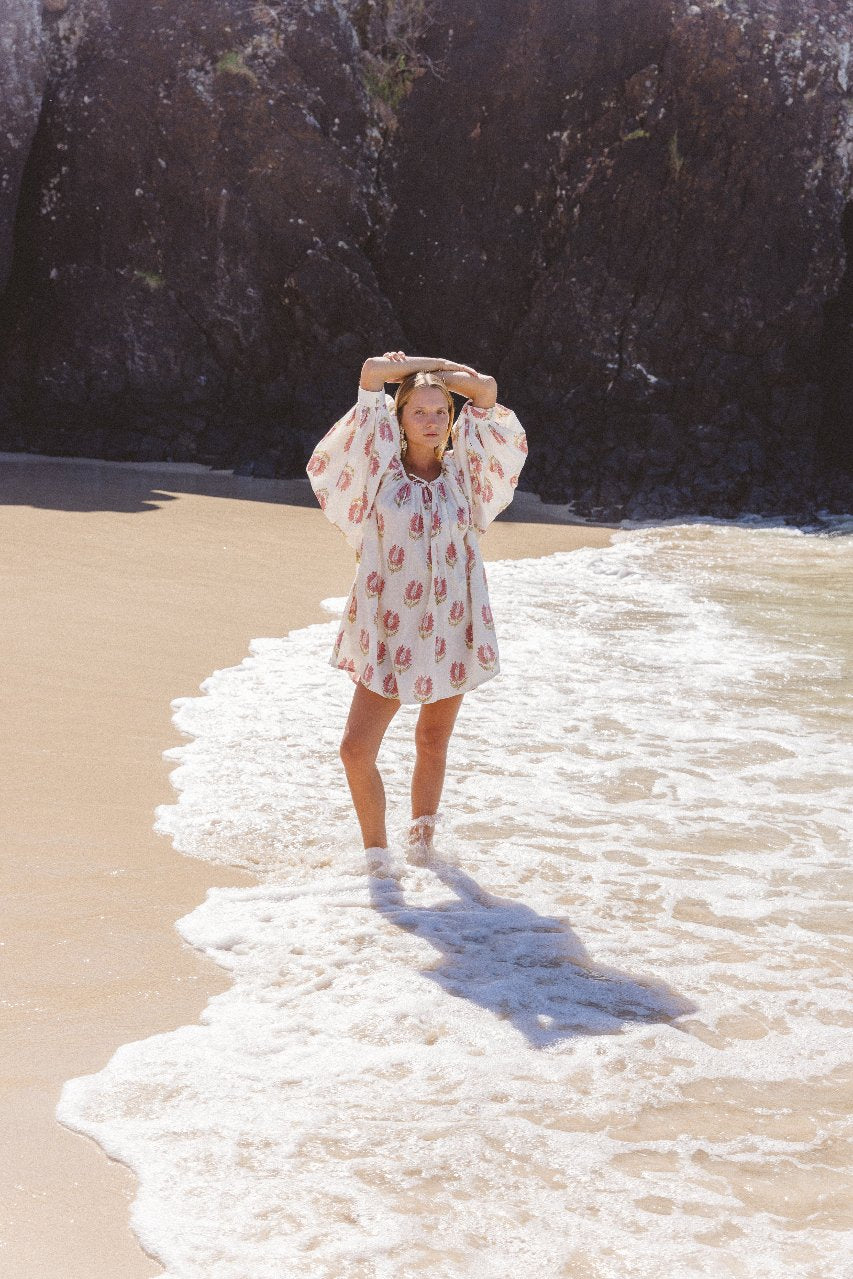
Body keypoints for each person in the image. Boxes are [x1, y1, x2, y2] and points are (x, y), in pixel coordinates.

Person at [306, 351, 527, 871]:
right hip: (390, 628)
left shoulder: (464, 471)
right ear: (398, 419)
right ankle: (377, 860)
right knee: (355, 749)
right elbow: (370, 373)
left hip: (453, 621)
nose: (432, 421)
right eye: (419, 411)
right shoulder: (379, 467)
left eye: (441, 411)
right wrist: (420, 369)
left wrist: (439, 379)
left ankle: (423, 850)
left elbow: (486, 390)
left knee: (432, 739)